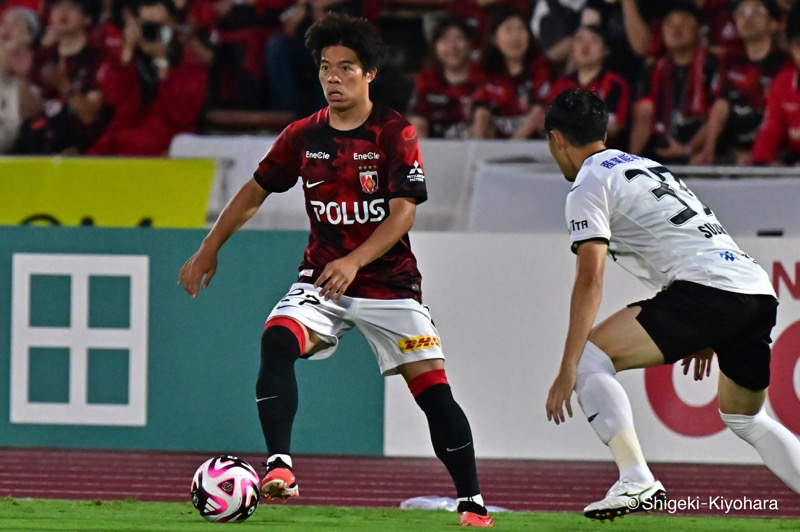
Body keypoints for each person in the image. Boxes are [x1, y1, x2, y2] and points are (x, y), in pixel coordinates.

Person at [178, 12, 494, 528]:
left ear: (370, 73)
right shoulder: (303, 136)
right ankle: (280, 467)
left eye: (346, 68)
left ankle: (473, 503)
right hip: (322, 279)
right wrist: (209, 246)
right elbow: (256, 189)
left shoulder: (395, 133)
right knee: (277, 338)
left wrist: (354, 260)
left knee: (434, 392)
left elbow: (403, 213)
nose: (333, 78)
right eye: (326, 68)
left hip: (389, 285)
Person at [543, 88, 800, 521]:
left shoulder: (588, 183)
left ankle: (635, 479)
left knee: (590, 359)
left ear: (556, 139)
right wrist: (709, 331)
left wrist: (568, 364)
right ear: (604, 131)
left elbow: (590, 277)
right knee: (746, 419)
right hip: (754, 289)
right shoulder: (647, 166)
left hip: (708, 290)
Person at [87, 0, 208, 155]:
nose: (153, 31)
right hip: (123, 139)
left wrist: (161, 60)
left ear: (173, 24)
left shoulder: (188, 61)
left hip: (168, 145)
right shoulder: (128, 60)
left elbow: (181, 114)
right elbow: (120, 105)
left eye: (160, 25)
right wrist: (127, 54)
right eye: (147, 25)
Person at [693, 0, 790, 165]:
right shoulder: (730, 60)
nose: (748, 18)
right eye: (741, 13)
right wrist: (709, 147)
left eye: (757, 12)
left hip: (776, 151)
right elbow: (721, 105)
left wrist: (760, 155)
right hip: (734, 149)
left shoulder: (784, 63)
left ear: (774, 24)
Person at [628, 1, 722, 163]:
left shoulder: (713, 64)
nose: (676, 29)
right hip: (660, 151)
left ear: (699, 31)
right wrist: (630, 163)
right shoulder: (654, 68)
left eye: (684, 22)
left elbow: (717, 115)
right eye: (669, 24)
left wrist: (688, 149)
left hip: (699, 154)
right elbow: (643, 118)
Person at [471, 5, 551, 139]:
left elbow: (538, 112)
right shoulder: (486, 73)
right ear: (494, 39)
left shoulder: (542, 68)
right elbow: (481, 113)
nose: (516, 36)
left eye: (521, 29)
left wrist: (512, 146)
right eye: (508, 30)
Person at [546, 24, 630, 145]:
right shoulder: (561, 84)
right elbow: (548, 124)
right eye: (580, 40)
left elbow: (612, 128)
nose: (585, 45)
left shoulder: (614, 84)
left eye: (594, 41)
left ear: (606, 50)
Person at [406, 16, 485, 139]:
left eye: (459, 38)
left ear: (470, 43)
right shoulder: (427, 78)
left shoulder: (483, 77)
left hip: (477, 148)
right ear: (435, 47)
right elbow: (417, 119)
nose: (452, 46)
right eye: (445, 40)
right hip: (436, 150)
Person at [751, 7, 800, 164]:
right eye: (799, 45)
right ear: (791, 48)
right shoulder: (783, 83)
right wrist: (762, 163)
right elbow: (769, 133)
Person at [0, 6, 40, 153]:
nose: (6, 30)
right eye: (4, 23)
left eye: (16, 24)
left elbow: (30, 116)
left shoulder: (30, 88)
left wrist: (21, 76)